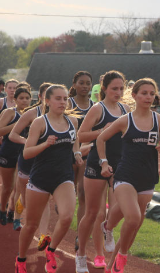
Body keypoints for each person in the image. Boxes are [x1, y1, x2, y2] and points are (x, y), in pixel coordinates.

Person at [98, 78, 160, 272]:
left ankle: (108, 234)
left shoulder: (159, 120)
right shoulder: (126, 120)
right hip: (125, 174)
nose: (149, 97)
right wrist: (104, 163)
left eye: (152, 94)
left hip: (147, 176)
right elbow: (101, 138)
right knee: (133, 218)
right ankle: (123, 255)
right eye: (144, 93)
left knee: (134, 222)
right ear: (134, 95)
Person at [15, 84, 84, 273]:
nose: (63, 102)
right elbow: (27, 153)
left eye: (65, 99)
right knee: (31, 225)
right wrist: (45, 144)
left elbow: (74, 140)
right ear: (47, 101)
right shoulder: (40, 122)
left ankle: (51, 250)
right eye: (58, 98)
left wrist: (77, 153)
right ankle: (21, 260)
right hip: (40, 178)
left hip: (63, 177)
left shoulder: (72, 122)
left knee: (67, 216)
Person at [75, 70, 131, 272]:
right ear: (105, 89)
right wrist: (103, 130)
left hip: (119, 164)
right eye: (114, 88)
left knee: (119, 208)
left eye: (121, 88)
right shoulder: (98, 109)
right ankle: (81, 255)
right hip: (97, 163)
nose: (118, 92)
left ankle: (108, 229)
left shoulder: (125, 109)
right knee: (92, 213)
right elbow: (81, 135)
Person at [9, 82, 53, 251]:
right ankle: (17, 215)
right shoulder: (31, 113)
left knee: (45, 199)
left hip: (46, 162)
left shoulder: (62, 116)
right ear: (42, 97)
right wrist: (26, 141)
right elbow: (13, 134)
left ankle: (43, 235)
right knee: (26, 199)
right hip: (28, 159)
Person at [0, 87, 31, 231]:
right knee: (8, 187)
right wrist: (18, 124)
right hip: (8, 151)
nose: (24, 100)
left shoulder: (33, 114)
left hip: (23, 153)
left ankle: (16, 217)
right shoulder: (10, 112)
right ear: (15, 100)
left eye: (27, 98)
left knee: (20, 187)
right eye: (21, 98)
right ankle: (3, 208)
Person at [68, 71, 94, 252]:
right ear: (75, 84)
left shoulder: (95, 107)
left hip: (86, 154)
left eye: (88, 83)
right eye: (81, 83)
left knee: (83, 195)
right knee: (70, 194)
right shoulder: (66, 104)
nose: (85, 86)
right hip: (66, 154)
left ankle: (79, 235)